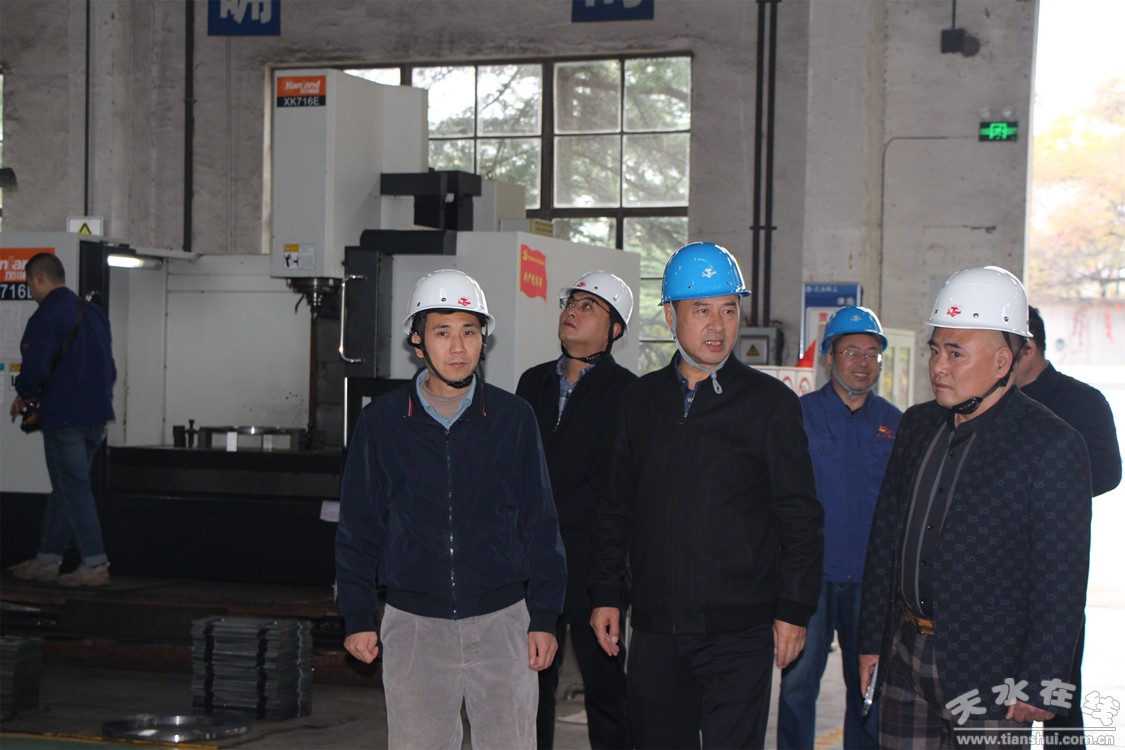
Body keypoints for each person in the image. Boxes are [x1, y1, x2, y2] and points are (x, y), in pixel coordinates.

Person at [588, 242, 824, 749]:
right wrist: (606, 592)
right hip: (656, 630)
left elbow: (800, 516)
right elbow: (614, 507)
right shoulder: (639, 401)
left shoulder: (770, 405)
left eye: (729, 310)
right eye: (702, 310)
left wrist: (793, 608)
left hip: (738, 633)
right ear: (670, 316)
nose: (718, 326)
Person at [858, 266, 1092, 748]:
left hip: (992, 670)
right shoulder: (918, 425)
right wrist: (870, 641)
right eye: (935, 350)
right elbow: (886, 538)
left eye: (956, 352)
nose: (939, 367)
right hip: (905, 654)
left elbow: (1061, 578)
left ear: (1002, 361)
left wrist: (1043, 677)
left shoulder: (1051, 445)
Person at [335, 268, 568, 749]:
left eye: (469, 331)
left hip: (503, 622)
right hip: (414, 627)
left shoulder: (512, 418)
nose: (458, 347)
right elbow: (359, 528)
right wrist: (357, 615)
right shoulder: (382, 423)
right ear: (418, 342)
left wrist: (544, 616)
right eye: (442, 332)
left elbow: (541, 524)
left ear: (484, 339)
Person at [517, 271, 636, 750]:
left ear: (615, 329)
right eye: (572, 302)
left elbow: (613, 486)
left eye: (590, 306)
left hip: (595, 564)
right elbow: (515, 467)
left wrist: (544, 511)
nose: (573, 311)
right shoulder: (533, 382)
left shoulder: (628, 394)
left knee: (605, 689)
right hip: (532, 561)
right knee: (531, 686)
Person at [777, 306, 902, 750]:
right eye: (852, 351)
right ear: (830, 357)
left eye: (872, 353)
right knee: (797, 687)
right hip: (809, 579)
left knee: (868, 686)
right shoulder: (799, 415)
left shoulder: (895, 424)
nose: (862, 362)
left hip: (871, 581)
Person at [1014, 304, 1121, 741]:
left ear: (1028, 348)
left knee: (1059, 696)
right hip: (999, 573)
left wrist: (1043, 490)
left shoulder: (1081, 401)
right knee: (1003, 700)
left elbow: (1109, 471)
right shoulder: (992, 403)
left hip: (1056, 568)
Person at [8, 252, 116, 588]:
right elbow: (110, 368)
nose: (30, 291)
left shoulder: (46, 316)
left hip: (64, 416)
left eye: (29, 284)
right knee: (66, 489)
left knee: (74, 491)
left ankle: (94, 563)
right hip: (96, 416)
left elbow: (36, 369)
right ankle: (47, 561)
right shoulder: (94, 313)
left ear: (39, 279)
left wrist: (24, 393)